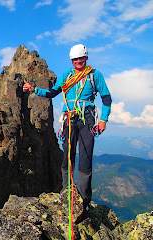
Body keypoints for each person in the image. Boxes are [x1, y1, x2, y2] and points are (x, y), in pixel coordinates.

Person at [23, 44, 112, 210]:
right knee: (67, 156)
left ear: (86, 58)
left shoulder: (95, 75)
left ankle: (84, 201)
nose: (78, 61)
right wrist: (33, 89)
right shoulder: (67, 75)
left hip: (87, 119)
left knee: (86, 157)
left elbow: (106, 98)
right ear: (72, 60)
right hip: (70, 118)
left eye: (81, 58)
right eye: (75, 59)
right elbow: (52, 93)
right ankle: (67, 194)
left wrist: (103, 120)